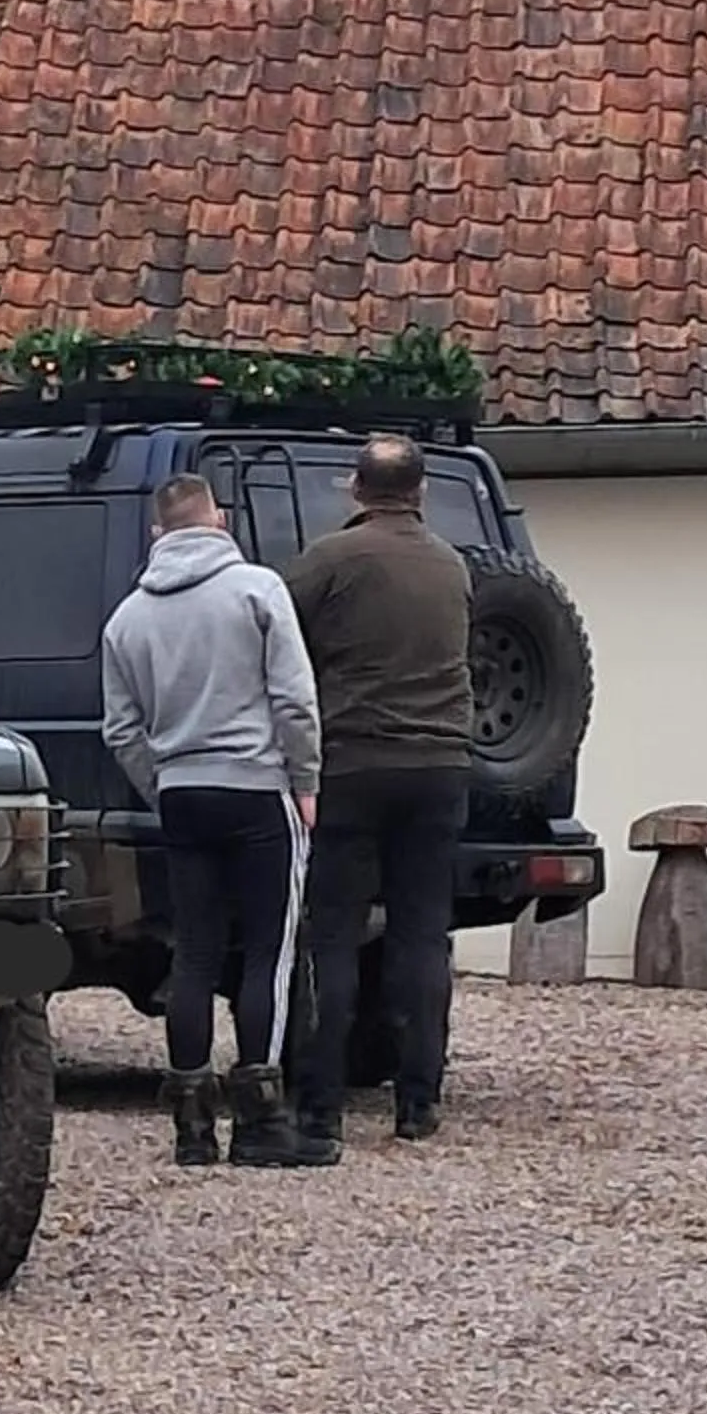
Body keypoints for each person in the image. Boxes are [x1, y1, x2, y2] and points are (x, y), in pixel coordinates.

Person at [101, 473, 326, 1171]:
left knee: (193, 953)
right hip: (258, 790)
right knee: (269, 952)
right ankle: (261, 1122)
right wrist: (305, 780)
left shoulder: (126, 619)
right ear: (219, 520)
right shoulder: (257, 591)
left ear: (157, 533)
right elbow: (294, 699)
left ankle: (192, 1125)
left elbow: (120, 728)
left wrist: (161, 783)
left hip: (182, 792)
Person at [283, 432, 474, 1149]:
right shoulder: (454, 566)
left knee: (332, 937)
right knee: (423, 937)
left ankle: (321, 1107)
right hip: (441, 766)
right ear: (420, 492)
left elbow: (277, 635)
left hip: (354, 762)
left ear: (355, 491)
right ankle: (419, 1103)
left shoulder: (330, 560)